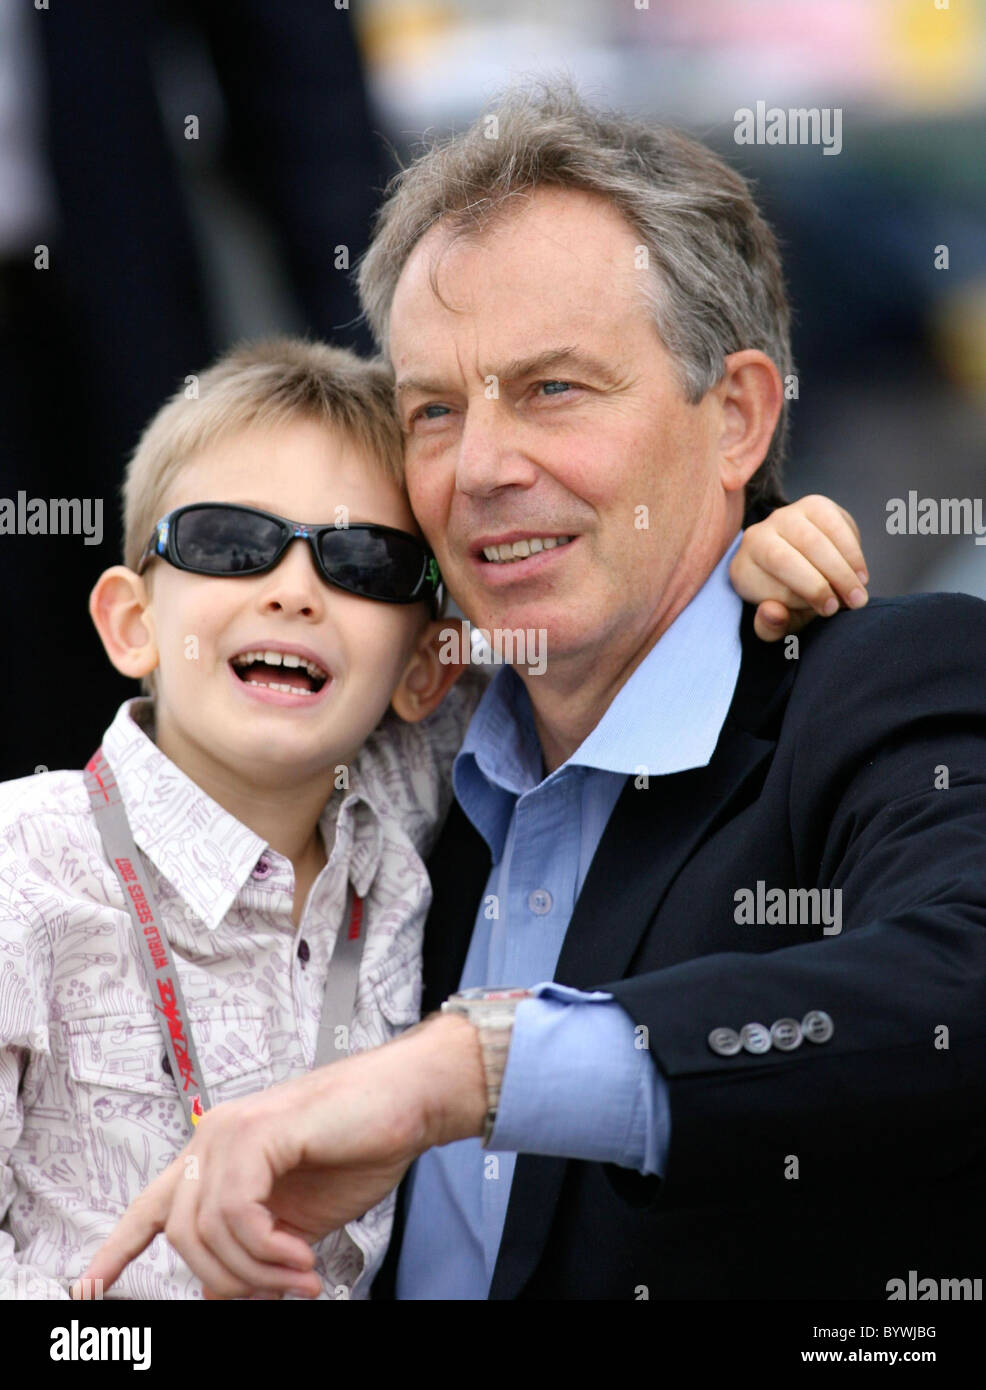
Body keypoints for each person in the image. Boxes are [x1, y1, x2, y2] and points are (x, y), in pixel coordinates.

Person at [79, 79, 984, 1304]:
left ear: (735, 419)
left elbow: (955, 984)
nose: (485, 469)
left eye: (553, 387)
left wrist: (468, 1069)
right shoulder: (406, 754)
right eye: (435, 410)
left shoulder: (877, 684)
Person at [0, 331, 857, 1301]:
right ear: (130, 620)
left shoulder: (412, 789)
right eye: (227, 542)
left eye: (360, 562)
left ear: (425, 669)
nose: (292, 589)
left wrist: (751, 552)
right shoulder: (23, 864)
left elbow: (601, 647)